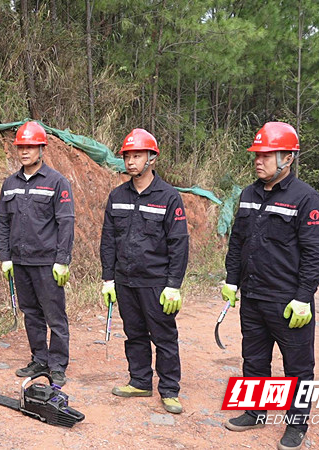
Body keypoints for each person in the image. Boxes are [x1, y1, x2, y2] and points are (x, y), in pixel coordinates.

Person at [221, 122, 319, 450]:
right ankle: (255, 411)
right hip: (252, 295)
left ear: (288, 158)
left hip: (287, 300)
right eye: (257, 154)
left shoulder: (306, 199)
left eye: (267, 154)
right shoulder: (248, 194)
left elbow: (313, 254)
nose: (259, 160)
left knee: (297, 366)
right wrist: (231, 280)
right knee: (253, 358)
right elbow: (237, 242)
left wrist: (304, 296)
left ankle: (297, 424)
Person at [99, 128, 189, 414]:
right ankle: (139, 381)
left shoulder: (169, 197)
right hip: (125, 281)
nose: (131, 161)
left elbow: (179, 243)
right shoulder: (117, 196)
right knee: (134, 333)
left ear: (152, 158)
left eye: (137, 155)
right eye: (127, 156)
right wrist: (108, 278)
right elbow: (108, 240)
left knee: (163, 336)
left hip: (156, 282)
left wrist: (173, 284)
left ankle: (170, 389)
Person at [0, 121, 75, 386]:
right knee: (31, 312)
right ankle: (39, 359)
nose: (25, 151)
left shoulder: (57, 182)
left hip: (47, 262)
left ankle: (57, 365)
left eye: (31, 146)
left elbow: (66, 222)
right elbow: (3, 222)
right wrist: (5, 256)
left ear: (42, 148)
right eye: (21, 146)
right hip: (20, 261)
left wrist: (62, 260)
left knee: (54, 315)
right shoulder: (10, 183)